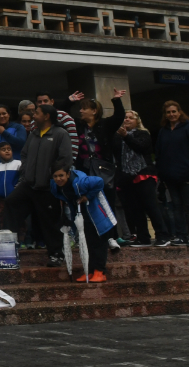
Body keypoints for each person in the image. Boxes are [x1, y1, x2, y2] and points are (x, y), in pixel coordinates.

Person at [5, 105, 74, 267]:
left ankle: (56, 254)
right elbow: (24, 154)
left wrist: (53, 178)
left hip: (48, 187)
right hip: (28, 184)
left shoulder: (60, 134)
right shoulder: (34, 134)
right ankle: (8, 246)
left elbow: (65, 159)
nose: (33, 115)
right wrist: (26, 172)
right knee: (11, 203)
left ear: (47, 116)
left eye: (37, 113)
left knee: (50, 222)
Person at [73, 89, 126, 250]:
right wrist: (69, 100)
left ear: (94, 111)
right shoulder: (78, 125)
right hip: (84, 171)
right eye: (80, 108)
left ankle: (111, 237)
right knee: (86, 203)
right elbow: (60, 116)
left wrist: (116, 100)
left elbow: (119, 117)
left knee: (106, 203)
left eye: (84, 108)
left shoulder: (105, 125)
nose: (81, 111)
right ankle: (89, 238)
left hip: (104, 171)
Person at [115, 110, 173, 247]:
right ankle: (143, 238)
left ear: (137, 121)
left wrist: (126, 137)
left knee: (151, 205)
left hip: (144, 174)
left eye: (131, 118)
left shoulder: (143, 133)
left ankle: (163, 235)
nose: (127, 120)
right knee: (135, 208)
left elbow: (141, 147)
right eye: (125, 118)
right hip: (127, 176)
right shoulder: (117, 136)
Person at [51, 163, 116, 282]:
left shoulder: (81, 182)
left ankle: (100, 271)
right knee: (88, 243)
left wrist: (88, 196)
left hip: (97, 213)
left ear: (68, 174)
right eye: (55, 176)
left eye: (61, 175)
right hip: (82, 215)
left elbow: (100, 181)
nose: (58, 179)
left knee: (98, 243)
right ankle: (90, 271)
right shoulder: (56, 186)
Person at [156, 100, 189, 245]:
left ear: (179, 112)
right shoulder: (163, 131)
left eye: (174, 111)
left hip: (186, 176)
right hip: (170, 177)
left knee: (188, 206)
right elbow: (159, 153)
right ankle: (181, 235)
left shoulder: (187, 127)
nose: (171, 114)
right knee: (176, 207)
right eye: (168, 112)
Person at [36, 91, 79, 159]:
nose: (43, 104)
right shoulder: (34, 120)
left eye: (45, 101)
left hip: (62, 163)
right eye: (40, 102)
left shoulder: (64, 117)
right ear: (36, 104)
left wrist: (70, 163)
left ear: (52, 102)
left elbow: (73, 141)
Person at [0, 141, 22, 231]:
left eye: (9, 149)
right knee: (3, 218)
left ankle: (21, 239)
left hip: (16, 199)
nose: (7, 151)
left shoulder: (18, 164)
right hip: (2, 200)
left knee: (18, 217)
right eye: (3, 150)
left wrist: (16, 189)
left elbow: (22, 179)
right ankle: (5, 237)